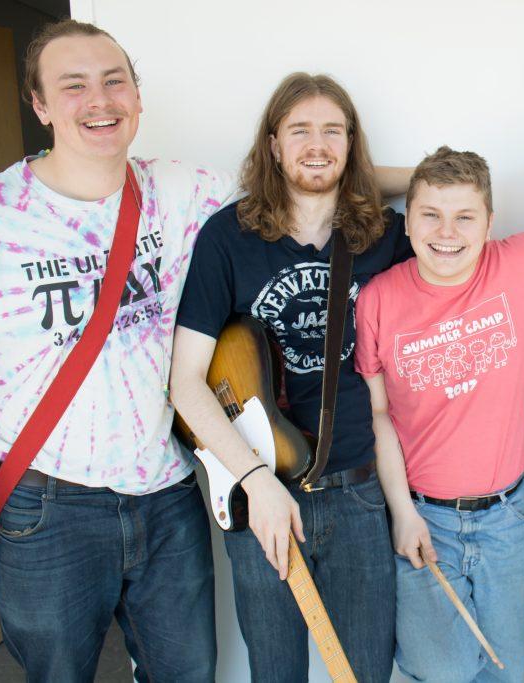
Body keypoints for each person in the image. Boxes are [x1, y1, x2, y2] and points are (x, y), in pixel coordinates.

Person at [0, 20, 234, 681]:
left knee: (190, 673)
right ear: (41, 106)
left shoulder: (188, 192)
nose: (100, 100)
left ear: (138, 97)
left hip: (167, 492)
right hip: (43, 506)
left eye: (115, 81)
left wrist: (427, 191)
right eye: (74, 85)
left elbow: (301, 192)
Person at [169, 72, 412, 683]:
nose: (317, 143)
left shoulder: (385, 235)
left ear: (352, 144)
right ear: (273, 143)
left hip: (359, 492)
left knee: (364, 674)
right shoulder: (229, 237)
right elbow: (185, 382)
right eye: (300, 129)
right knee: (275, 673)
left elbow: (468, 260)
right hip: (263, 495)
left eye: (333, 130)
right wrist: (256, 483)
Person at [354, 146, 524, 682]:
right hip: (424, 516)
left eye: (465, 216)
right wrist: (403, 513)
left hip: (507, 519)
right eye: (430, 214)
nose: (447, 232)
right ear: (408, 219)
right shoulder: (376, 300)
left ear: (489, 221)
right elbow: (378, 417)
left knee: (502, 673)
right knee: (438, 673)